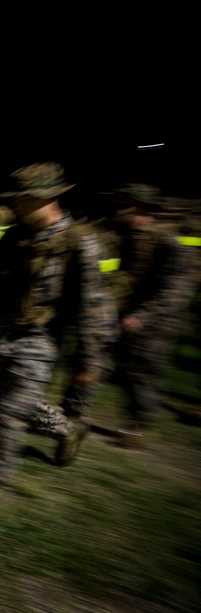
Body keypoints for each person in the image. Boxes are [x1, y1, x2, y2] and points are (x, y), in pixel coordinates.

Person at [0, 161, 118, 505]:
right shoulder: (13, 236)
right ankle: (69, 430)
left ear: (44, 199)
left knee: (9, 410)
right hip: (5, 334)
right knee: (20, 405)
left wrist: (89, 362)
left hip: (42, 340)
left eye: (20, 199)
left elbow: (95, 309)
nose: (13, 205)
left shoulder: (80, 243)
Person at [104, 184, 201, 447]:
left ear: (143, 207)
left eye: (128, 204)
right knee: (129, 368)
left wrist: (144, 316)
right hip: (134, 313)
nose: (121, 209)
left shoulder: (169, 241)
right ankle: (137, 420)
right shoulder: (132, 235)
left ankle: (141, 427)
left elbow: (176, 289)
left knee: (142, 370)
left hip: (157, 320)